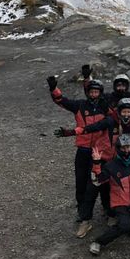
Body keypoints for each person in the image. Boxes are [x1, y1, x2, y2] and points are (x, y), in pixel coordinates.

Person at [48, 75, 112, 238]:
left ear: (100, 93)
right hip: (83, 150)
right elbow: (61, 101)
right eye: (91, 91)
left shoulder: (105, 107)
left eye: (97, 92)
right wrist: (53, 88)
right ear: (88, 92)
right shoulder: (80, 106)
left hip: (99, 151)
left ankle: (108, 209)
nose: (94, 94)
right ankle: (82, 212)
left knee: (101, 182)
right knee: (81, 181)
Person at [88, 135, 130, 256]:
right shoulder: (111, 166)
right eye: (123, 148)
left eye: (128, 147)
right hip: (120, 203)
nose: (126, 150)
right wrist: (96, 163)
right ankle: (98, 242)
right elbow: (97, 181)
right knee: (125, 226)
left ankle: (123, 222)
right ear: (118, 148)